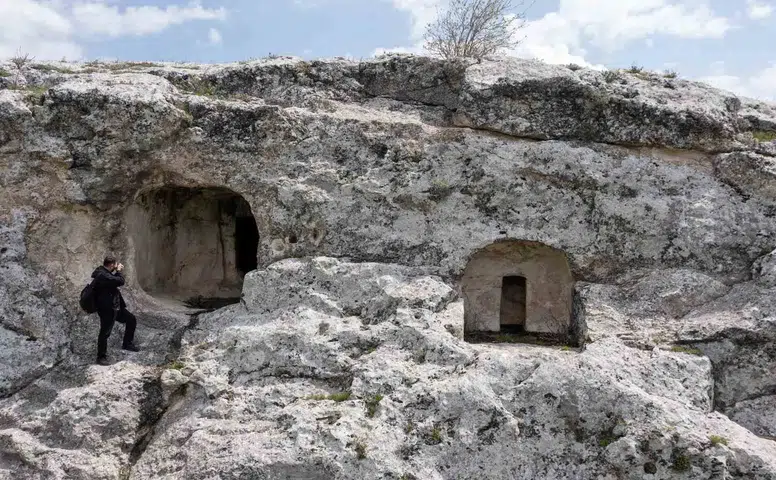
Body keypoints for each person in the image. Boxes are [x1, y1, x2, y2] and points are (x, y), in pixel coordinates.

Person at [92, 255, 139, 365]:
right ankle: (101, 357)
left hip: (114, 307)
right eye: (115, 265)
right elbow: (120, 281)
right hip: (106, 309)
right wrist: (118, 271)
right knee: (105, 332)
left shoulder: (103, 272)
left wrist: (115, 271)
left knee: (131, 319)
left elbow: (111, 279)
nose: (116, 266)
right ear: (112, 265)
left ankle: (127, 344)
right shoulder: (102, 275)